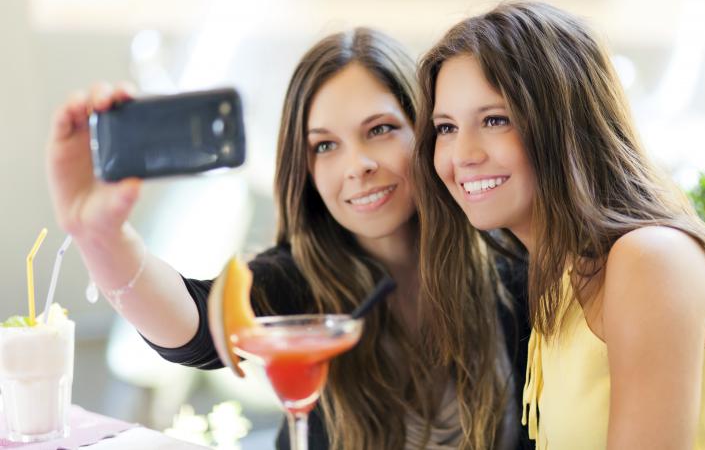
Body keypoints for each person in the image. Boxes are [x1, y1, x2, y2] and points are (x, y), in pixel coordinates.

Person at [47, 27, 529, 450]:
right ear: (307, 169)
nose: (356, 165)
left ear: (424, 131)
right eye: (325, 146)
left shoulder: (511, 265)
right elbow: (193, 326)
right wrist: (101, 234)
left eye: (379, 130)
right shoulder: (297, 281)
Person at [412, 1, 705, 449]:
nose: (462, 154)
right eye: (446, 127)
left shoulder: (649, 259)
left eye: (495, 120)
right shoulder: (561, 279)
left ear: (566, 124)